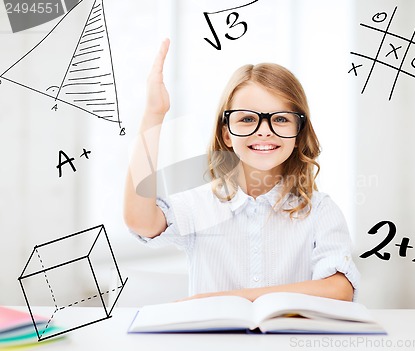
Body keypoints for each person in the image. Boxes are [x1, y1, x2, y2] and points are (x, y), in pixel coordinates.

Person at [124, 39, 359, 302]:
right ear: (226, 134)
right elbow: (140, 221)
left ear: (298, 132)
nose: (264, 130)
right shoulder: (199, 205)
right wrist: (154, 114)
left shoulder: (320, 211)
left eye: (280, 119)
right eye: (247, 119)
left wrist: (235, 298)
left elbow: (340, 290)